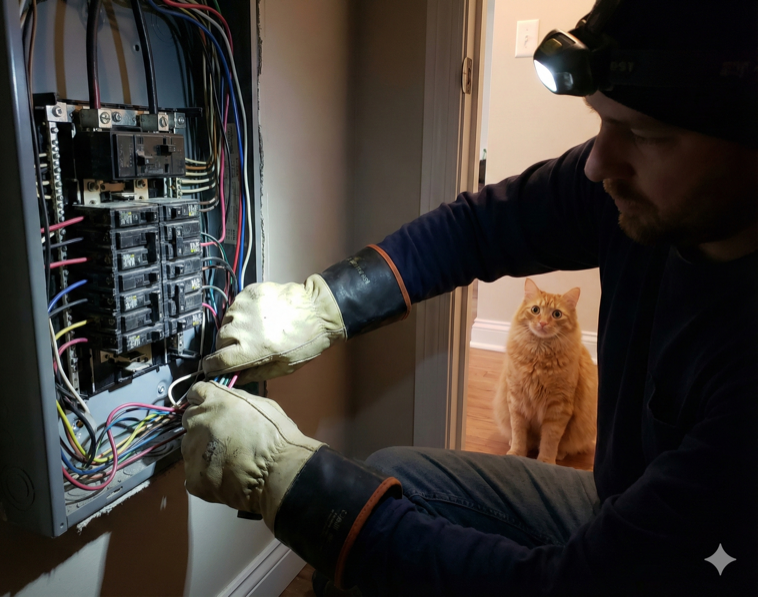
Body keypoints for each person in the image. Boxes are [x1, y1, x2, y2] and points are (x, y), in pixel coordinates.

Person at [181, 1, 758, 594]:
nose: (598, 164)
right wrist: (325, 304)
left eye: (646, 135)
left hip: (691, 572)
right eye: (601, 121)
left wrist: (290, 484)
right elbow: (478, 230)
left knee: (353, 521)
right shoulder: (631, 193)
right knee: (387, 480)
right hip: (619, 501)